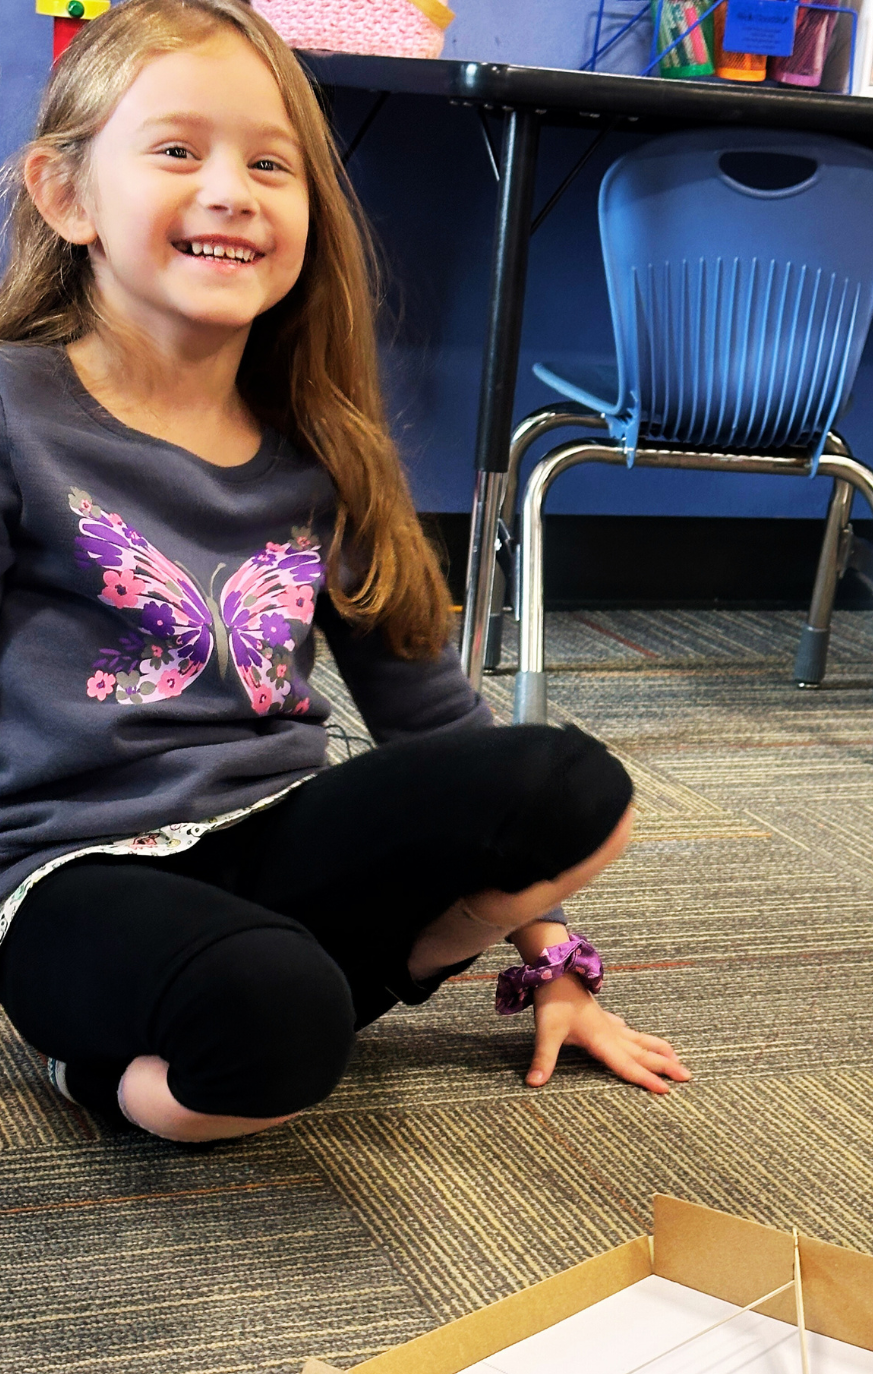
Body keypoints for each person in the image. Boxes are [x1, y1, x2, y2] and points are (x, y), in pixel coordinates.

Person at [0, 0, 689, 1143]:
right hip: (69, 871)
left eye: (273, 164)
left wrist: (560, 964)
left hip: (278, 834)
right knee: (272, 1024)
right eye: (177, 150)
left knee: (575, 788)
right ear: (67, 193)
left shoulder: (325, 446)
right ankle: (107, 1062)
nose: (231, 189)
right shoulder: (16, 412)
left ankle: (326, 979)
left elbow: (435, 720)